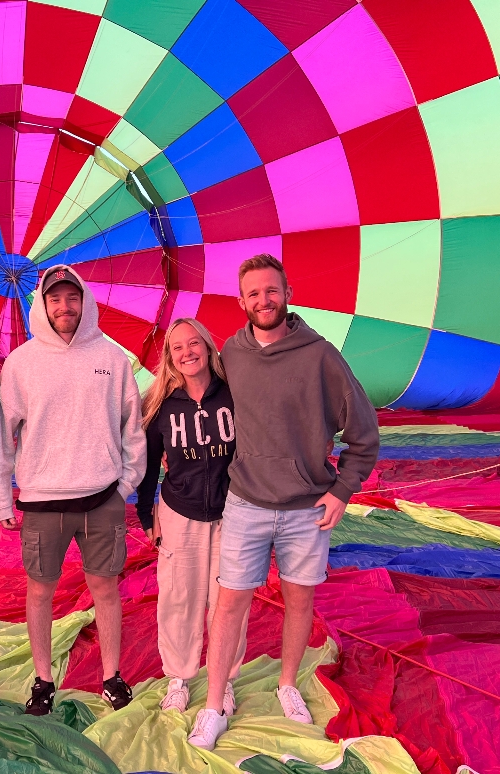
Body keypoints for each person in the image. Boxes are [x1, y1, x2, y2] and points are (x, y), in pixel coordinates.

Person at [189, 254, 379, 750]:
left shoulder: (320, 356)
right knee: (229, 602)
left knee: (300, 599)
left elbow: (364, 433)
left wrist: (341, 490)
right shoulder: (231, 352)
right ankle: (213, 706)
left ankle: (288, 683)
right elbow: (190, 384)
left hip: (306, 507)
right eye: (253, 294)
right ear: (241, 302)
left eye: (271, 291)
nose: (263, 300)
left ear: (288, 292)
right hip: (246, 501)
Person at [0, 265, 147, 716]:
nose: (64, 307)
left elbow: (133, 432)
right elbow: (4, 436)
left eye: (72, 298)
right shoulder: (22, 362)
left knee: (106, 587)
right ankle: (43, 680)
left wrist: (124, 486)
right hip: (42, 501)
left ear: (86, 302)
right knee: (40, 591)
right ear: (42, 304)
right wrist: (2, 497)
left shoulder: (114, 359)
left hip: (102, 498)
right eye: (55, 299)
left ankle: (111, 675)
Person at [135, 318, 246, 715]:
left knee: (226, 602)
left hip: (232, 514)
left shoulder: (234, 396)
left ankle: (224, 680)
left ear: (208, 346)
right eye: (178, 347)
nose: (187, 352)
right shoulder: (161, 405)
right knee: (178, 598)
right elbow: (149, 465)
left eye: (194, 343)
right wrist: (147, 514)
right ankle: (179, 677)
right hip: (179, 512)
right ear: (169, 357)